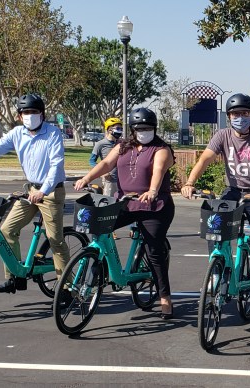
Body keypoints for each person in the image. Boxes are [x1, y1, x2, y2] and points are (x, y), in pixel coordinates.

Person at [180, 93, 250, 329]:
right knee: (214, 227)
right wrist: (189, 183)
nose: (240, 118)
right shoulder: (222, 135)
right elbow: (205, 159)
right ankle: (217, 272)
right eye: (236, 114)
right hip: (233, 191)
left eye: (245, 114)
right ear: (229, 117)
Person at [0, 94, 69, 293]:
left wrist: (44, 191)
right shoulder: (17, 133)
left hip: (51, 192)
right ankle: (14, 277)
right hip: (30, 191)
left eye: (34, 112)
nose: (30, 116)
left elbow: (56, 165)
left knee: (56, 241)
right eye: (26, 112)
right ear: (19, 116)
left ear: (42, 114)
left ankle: (67, 288)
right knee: (7, 231)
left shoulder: (53, 133)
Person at [74, 108, 176, 319]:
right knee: (100, 226)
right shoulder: (122, 146)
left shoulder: (162, 148)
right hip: (126, 203)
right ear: (132, 129)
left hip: (155, 206)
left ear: (154, 128)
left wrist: (152, 191)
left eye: (148, 128)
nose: (143, 131)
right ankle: (101, 267)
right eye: (139, 128)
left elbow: (158, 170)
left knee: (153, 252)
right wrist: (87, 178)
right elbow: (105, 164)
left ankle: (165, 297)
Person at [90, 117, 123, 197]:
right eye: (117, 128)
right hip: (110, 180)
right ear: (109, 129)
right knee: (110, 202)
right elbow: (92, 161)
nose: (120, 131)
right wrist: (102, 173)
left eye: (121, 129)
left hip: (122, 179)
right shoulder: (100, 144)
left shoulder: (122, 143)